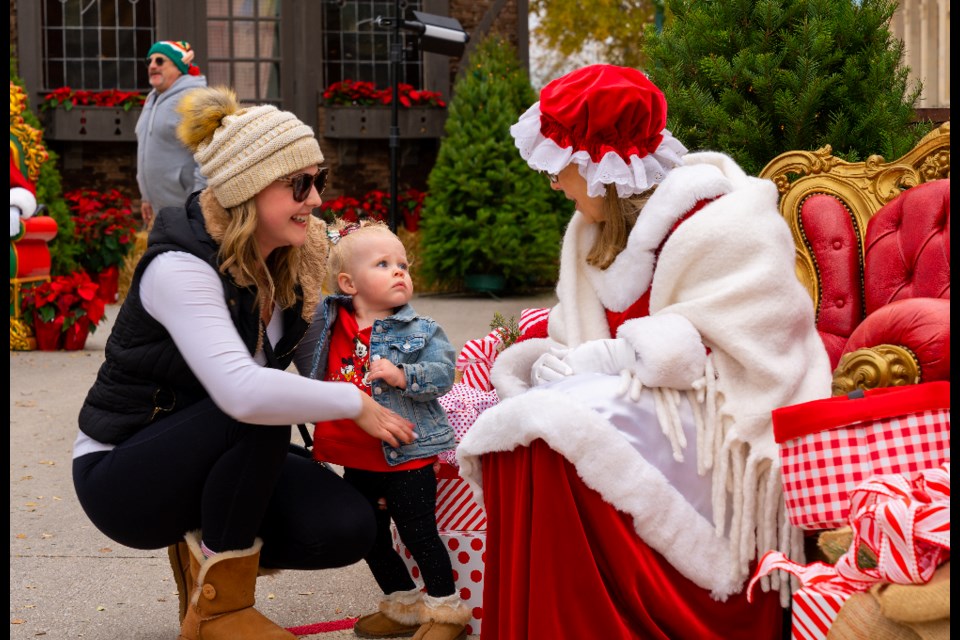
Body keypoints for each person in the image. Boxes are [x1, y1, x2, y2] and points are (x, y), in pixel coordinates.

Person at [456, 64, 833, 639]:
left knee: (554, 431)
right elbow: (576, 332)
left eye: (562, 168)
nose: (554, 183)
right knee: (527, 427)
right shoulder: (589, 233)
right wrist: (552, 358)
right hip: (647, 405)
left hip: (722, 417)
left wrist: (612, 359)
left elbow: (752, 348)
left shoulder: (728, 222)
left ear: (602, 169)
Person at [73, 86, 415, 640]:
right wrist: (354, 404)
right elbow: (244, 393)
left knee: (349, 525)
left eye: (319, 181)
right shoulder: (180, 268)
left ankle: (206, 571)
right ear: (248, 189)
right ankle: (220, 612)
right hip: (124, 473)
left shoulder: (291, 265)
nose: (317, 200)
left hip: (223, 455)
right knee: (258, 410)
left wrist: (408, 392)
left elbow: (322, 371)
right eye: (299, 185)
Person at [296, 220, 469, 640]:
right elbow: (293, 326)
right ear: (347, 283)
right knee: (367, 535)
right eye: (383, 263)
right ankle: (402, 605)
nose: (399, 271)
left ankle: (446, 613)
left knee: (418, 533)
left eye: (403, 264)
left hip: (406, 454)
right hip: (355, 456)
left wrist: (402, 374)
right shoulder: (327, 322)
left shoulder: (422, 330)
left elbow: (445, 373)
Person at [135, 40, 208, 228]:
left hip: (187, 211)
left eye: (160, 61)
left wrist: (197, 202)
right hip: (162, 210)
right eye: (149, 61)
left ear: (178, 67)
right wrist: (146, 196)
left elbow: (206, 153)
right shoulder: (153, 98)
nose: (152, 66)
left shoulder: (192, 98)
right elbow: (146, 150)